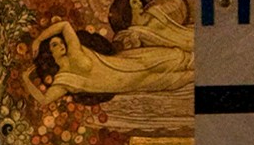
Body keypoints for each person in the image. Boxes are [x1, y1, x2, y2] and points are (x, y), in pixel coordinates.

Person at [21, 19, 194, 106]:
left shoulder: (75, 50)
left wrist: (39, 39)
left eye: (59, 41)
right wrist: (26, 79)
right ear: (50, 54)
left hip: (131, 63)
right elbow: (44, 100)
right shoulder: (63, 81)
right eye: (54, 44)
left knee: (178, 57)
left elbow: (64, 25)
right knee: (185, 78)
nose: (61, 45)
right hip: (133, 84)